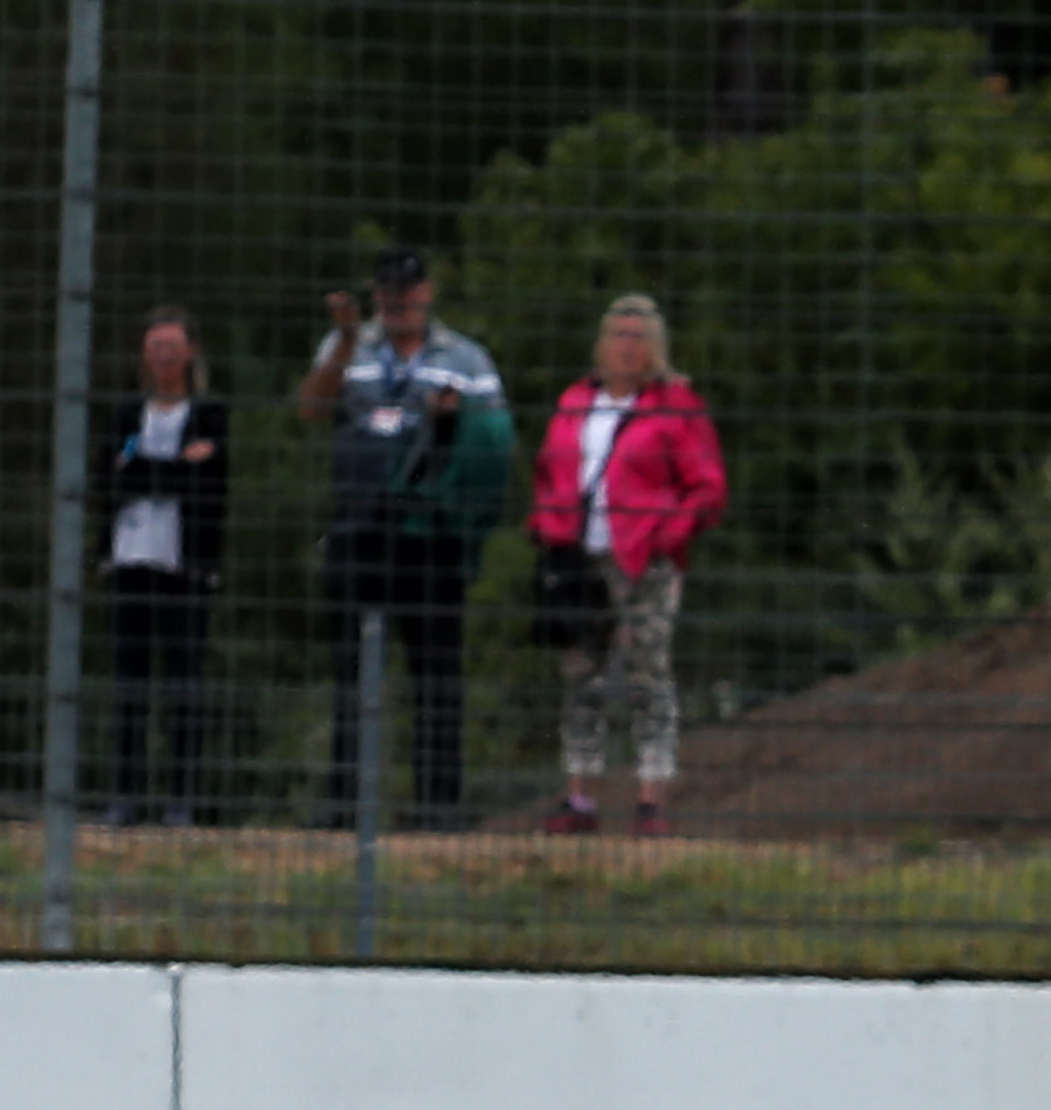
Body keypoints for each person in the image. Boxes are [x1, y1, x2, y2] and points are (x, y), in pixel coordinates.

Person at [295, 246, 514, 828]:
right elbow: (312, 407)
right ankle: (345, 800)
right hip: (358, 530)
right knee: (351, 670)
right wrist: (342, 341)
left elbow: (495, 441)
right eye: (386, 291)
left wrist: (454, 418)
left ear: (428, 292)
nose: (397, 302)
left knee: (437, 672)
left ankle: (437, 806)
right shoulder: (349, 346)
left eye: (408, 291)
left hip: (431, 537)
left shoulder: (465, 357)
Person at [528, 294, 730, 837]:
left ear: (656, 347)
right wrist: (547, 527)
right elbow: (549, 472)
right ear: (602, 343)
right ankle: (580, 798)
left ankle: (651, 798)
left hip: (647, 559)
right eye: (618, 334)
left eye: (638, 336)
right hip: (580, 560)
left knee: (649, 675)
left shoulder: (677, 406)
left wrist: (668, 534)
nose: (627, 346)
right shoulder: (575, 402)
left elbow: (708, 487)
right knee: (581, 678)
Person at [88, 306, 228, 828]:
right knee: (129, 684)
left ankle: (180, 798)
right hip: (129, 560)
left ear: (190, 351)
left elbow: (211, 485)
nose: (164, 356)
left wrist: (146, 470)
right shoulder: (128, 414)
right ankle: (124, 794)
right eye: (155, 346)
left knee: (183, 684)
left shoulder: (210, 414)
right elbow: (111, 476)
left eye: (172, 345)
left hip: (184, 567)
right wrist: (174, 468)